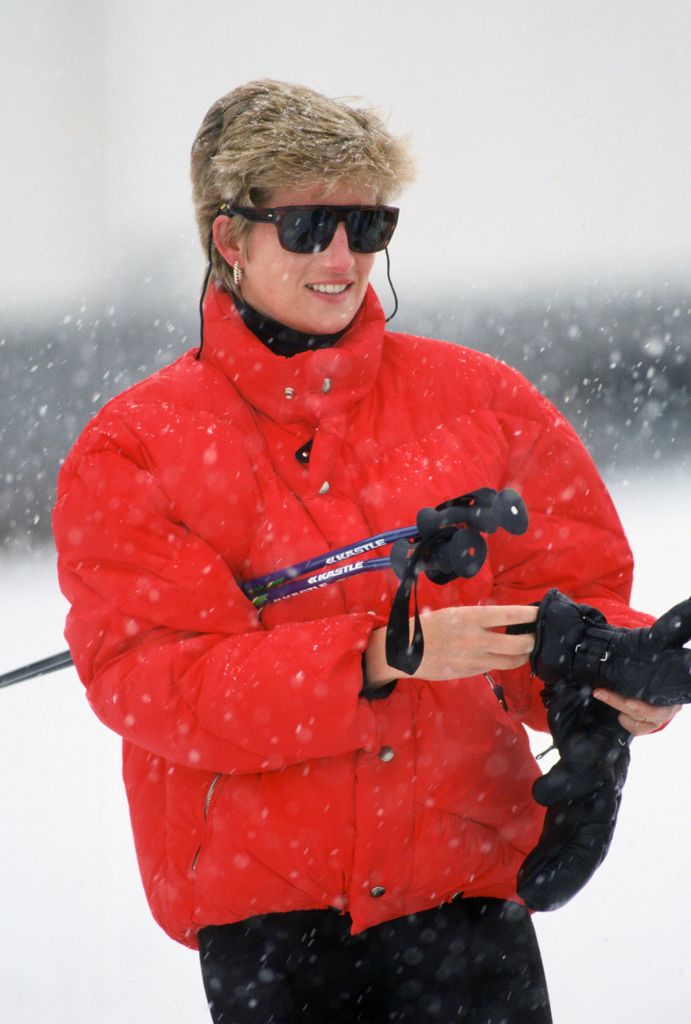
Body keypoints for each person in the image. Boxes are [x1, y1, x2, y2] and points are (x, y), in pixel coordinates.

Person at [52, 80, 677, 1023]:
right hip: (276, 927)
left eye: (367, 224)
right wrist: (382, 654)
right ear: (230, 239)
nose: (343, 258)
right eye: (308, 226)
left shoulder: (483, 400)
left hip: (467, 900)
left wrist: (606, 672)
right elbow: (155, 684)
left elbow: (578, 589)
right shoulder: (134, 447)